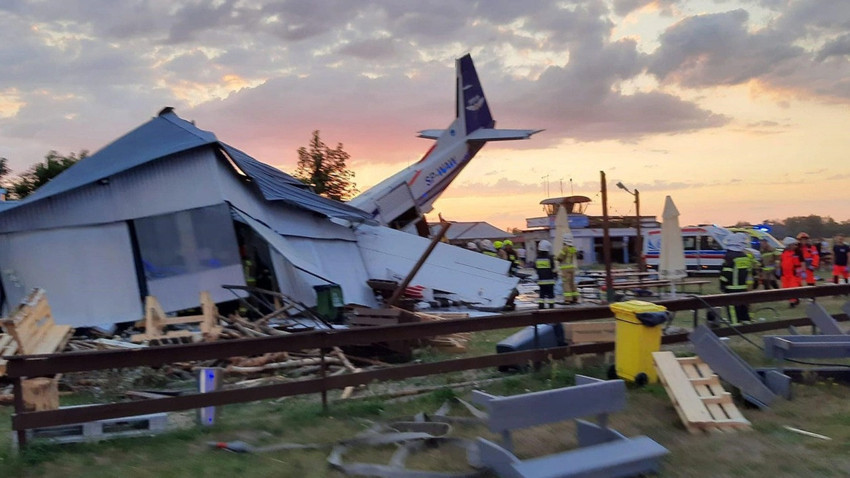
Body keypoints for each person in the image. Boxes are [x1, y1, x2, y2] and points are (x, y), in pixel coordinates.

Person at [719, 233, 753, 323]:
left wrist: (722, 284)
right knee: (744, 309)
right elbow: (750, 273)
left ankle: (735, 326)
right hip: (743, 289)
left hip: (731, 289)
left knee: (733, 311)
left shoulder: (729, 257)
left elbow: (726, 274)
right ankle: (747, 325)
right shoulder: (745, 257)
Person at [555, 235, 579, 304]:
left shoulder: (565, 248)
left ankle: (568, 299)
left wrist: (555, 258)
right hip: (572, 268)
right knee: (572, 283)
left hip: (565, 269)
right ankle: (575, 298)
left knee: (566, 283)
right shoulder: (573, 248)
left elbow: (560, 257)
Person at [780, 236, 803, 307]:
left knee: (793, 287)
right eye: (793, 245)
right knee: (786, 288)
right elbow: (782, 262)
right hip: (785, 274)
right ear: (788, 245)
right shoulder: (784, 252)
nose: (794, 246)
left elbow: (801, 262)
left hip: (793, 273)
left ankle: (793, 302)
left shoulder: (797, 252)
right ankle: (794, 299)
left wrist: (801, 272)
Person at [535, 240, 556, 309]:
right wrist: (555, 275)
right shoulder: (550, 258)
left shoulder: (537, 258)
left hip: (541, 280)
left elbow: (535, 267)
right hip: (550, 280)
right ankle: (551, 306)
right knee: (550, 294)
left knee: (542, 293)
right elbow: (553, 267)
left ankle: (541, 305)